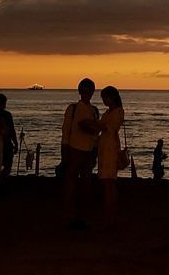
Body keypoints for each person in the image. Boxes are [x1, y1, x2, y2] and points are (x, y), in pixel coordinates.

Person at [61, 78, 99, 229]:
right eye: (85, 90)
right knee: (72, 181)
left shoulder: (93, 110)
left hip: (88, 150)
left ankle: (80, 214)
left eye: (88, 91)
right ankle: (71, 213)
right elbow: (66, 130)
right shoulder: (73, 108)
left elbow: (95, 133)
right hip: (75, 149)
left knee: (85, 183)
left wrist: (95, 150)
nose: (87, 93)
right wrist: (65, 151)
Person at [94, 86, 125, 229]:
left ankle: (110, 214)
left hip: (110, 148)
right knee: (107, 182)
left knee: (109, 182)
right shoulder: (108, 112)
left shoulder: (118, 112)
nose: (104, 100)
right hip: (104, 147)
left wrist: (97, 125)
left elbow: (110, 128)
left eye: (105, 97)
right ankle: (109, 213)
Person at [0, 94, 18, 177]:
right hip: (6, 144)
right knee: (7, 166)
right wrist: (15, 143)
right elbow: (11, 130)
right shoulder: (7, 115)